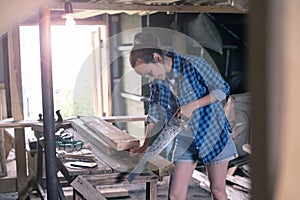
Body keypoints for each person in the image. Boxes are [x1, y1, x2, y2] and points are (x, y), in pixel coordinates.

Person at [129, 32, 238, 200]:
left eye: (150, 72)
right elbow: (155, 113)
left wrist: (192, 105)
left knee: (217, 191)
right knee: (175, 195)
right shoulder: (158, 81)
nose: (151, 78)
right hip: (185, 138)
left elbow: (222, 89)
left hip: (212, 134)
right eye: (146, 76)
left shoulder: (193, 64)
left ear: (157, 58)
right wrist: (145, 145)